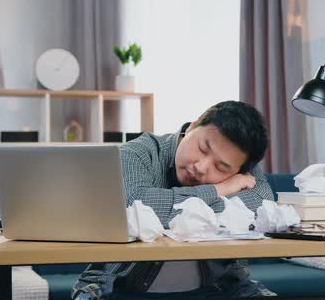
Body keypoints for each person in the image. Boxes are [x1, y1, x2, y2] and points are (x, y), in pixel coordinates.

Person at [72, 101, 275, 300]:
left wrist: (165, 207)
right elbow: (131, 204)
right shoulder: (137, 153)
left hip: (222, 287)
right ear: (192, 127)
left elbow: (262, 206)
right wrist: (218, 189)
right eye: (203, 148)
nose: (202, 167)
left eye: (220, 168)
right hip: (118, 286)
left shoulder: (241, 165)